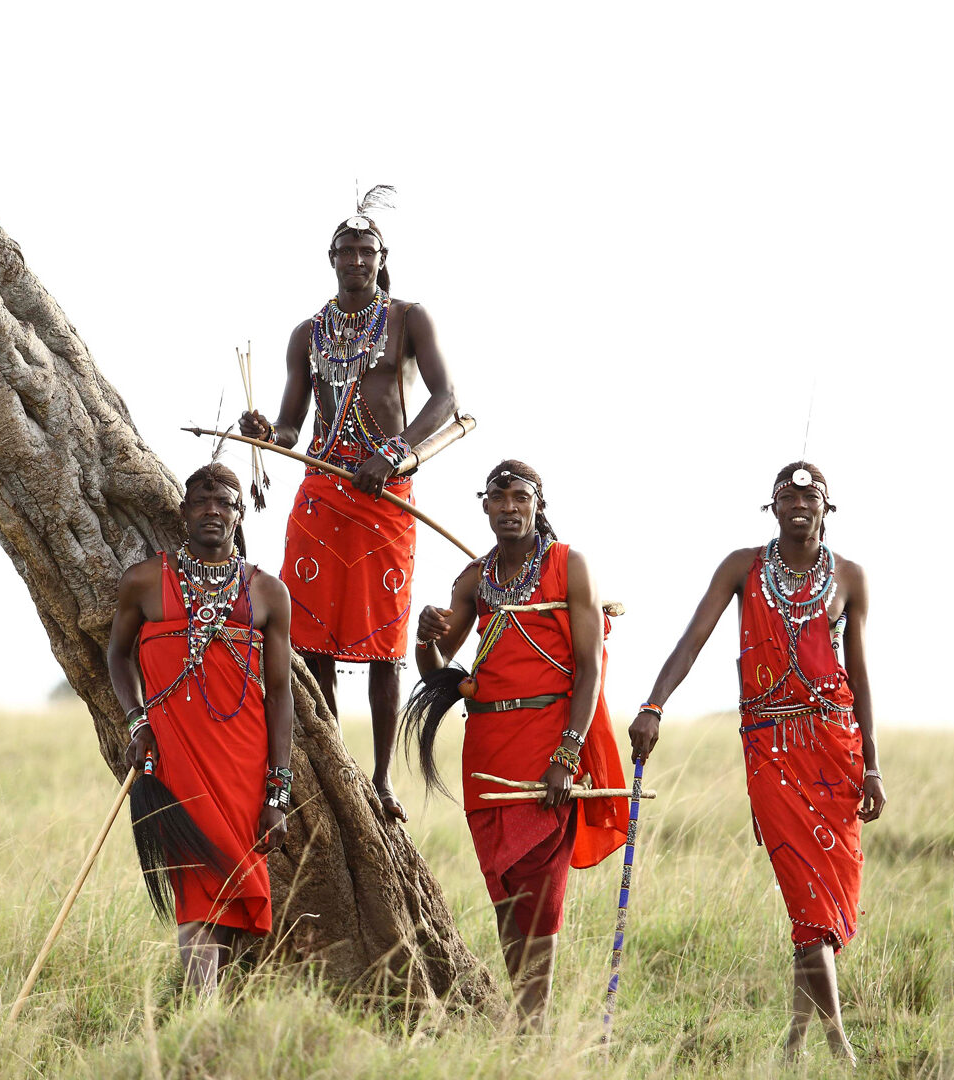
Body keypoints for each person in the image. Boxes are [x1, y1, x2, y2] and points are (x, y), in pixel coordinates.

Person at [629, 462, 887, 1061]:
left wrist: (871, 764)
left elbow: (861, 674)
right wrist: (653, 705)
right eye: (787, 495)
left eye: (811, 494)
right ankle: (839, 1045)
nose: (799, 502)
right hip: (770, 750)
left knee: (822, 903)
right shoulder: (741, 567)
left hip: (833, 749)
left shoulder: (850, 577)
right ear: (770, 507)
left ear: (828, 506)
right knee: (805, 897)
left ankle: (794, 1043)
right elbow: (691, 639)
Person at [240, 191, 456, 824]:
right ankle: (334, 762)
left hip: (384, 494)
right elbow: (289, 427)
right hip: (321, 494)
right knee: (313, 642)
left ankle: (383, 779)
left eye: (368, 251)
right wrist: (262, 432)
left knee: (387, 640)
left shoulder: (409, 318)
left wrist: (394, 455)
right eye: (346, 251)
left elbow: (445, 398)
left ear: (381, 259)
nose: (356, 259)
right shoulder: (308, 333)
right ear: (330, 259)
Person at [404, 460, 627, 1029]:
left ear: (538, 504)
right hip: (486, 751)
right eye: (498, 497)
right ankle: (526, 1017)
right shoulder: (475, 580)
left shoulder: (569, 565)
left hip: (548, 747)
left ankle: (532, 1025)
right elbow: (437, 670)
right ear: (484, 506)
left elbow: (589, 668)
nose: (509, 507)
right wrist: (425, 637)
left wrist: (568, 753)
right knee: (503, 883)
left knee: (540, 888)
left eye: (520, 497)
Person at [108, 463, 294, 995]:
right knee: (196, 884)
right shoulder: (144, 581)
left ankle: (214, 1015)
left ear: (239, 515)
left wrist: (277, 791)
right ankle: (202, 1017)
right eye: (202, 501)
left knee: (235, 885)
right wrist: (137, 721)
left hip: (244, 766)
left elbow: (280, 696)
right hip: (175, 761)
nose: (214, 510)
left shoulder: (267, 593)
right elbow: (118, 656)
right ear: (184, 512)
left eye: (226, 502)